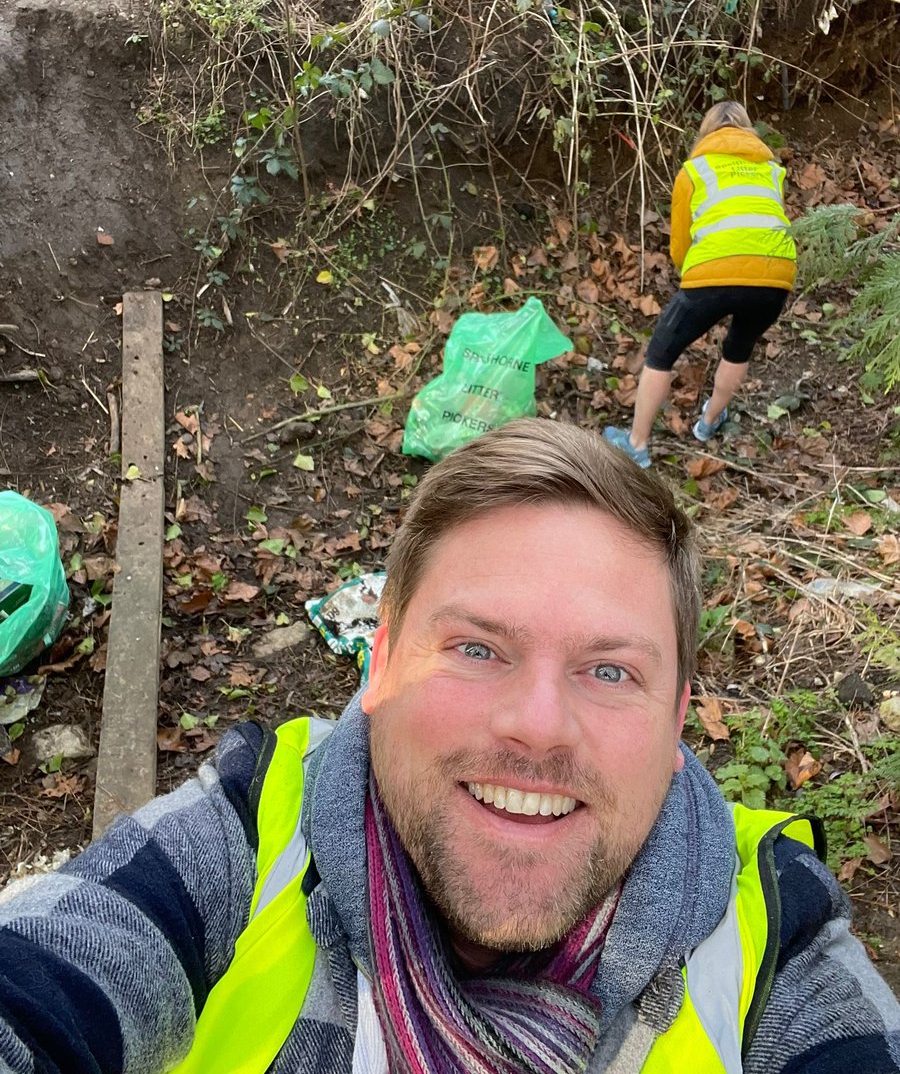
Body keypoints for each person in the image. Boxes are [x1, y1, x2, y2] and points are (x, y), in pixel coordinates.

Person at [0, 418, 898, 1074]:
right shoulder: (246, 840)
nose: (539, 725)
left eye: (612, 670)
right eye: (477, 649)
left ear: (677, 723)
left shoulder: (777, 938)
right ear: (379, 663)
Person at [604, 100, 797, 468]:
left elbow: (679, 245)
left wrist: (693, 277)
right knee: (739, 347)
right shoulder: (773, 171)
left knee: (662, 352)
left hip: (712, 273)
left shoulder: (694, 171)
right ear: (747, 130)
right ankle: (708, 424)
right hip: (776, 275)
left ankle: (637, 443)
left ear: (706, 131)